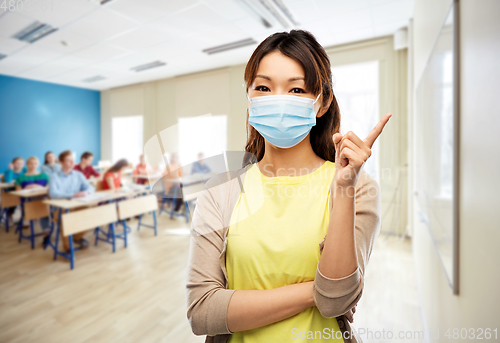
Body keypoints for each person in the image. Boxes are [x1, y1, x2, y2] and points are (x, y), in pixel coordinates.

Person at [186, 30, 391, 343]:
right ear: (250, 100)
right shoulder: (220, 192)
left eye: (296, 89)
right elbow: (202, 312)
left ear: (322, 103)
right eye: (264, 87)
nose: (278, 100)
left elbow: (337, 300)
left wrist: (344, 188)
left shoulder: (356, 186)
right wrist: (315, 292)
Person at [48, 150, 95, 252]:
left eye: (73, 160)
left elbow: (90, 188)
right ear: (61, 162)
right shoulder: (54, 176)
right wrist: (73, 195)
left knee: (92, 214)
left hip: (77, 205)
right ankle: (67, 248)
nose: (72, 163)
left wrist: (86, 192)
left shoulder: (78, 174)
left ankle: (77, 237)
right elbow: (53, 194)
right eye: (69, 161)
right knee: (66, 218)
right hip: (60, 208)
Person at [15, 156, 51, 241]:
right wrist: (26, 188)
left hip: (42, 200)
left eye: (35, 163)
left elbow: (48, 189)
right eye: (31, 163)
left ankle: (46, 232)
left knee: (44, 205)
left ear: (38, 164)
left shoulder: (44, 175)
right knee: (42, 206)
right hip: (28, 201)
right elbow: (18, 193)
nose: (33, 165)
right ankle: (45, 230)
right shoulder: (21, 178)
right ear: (27, 165)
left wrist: (39, 187)